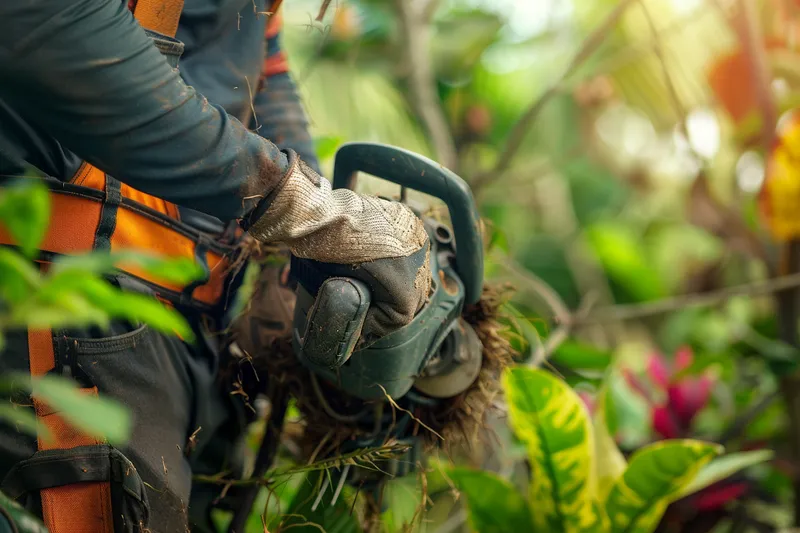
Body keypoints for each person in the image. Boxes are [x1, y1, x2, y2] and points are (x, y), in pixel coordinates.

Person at [0, 0, 432, 531]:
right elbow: (43, 20)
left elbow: (256, 55)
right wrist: (295, 202)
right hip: (56, 299)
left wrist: (294, 255)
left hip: (191, 340)